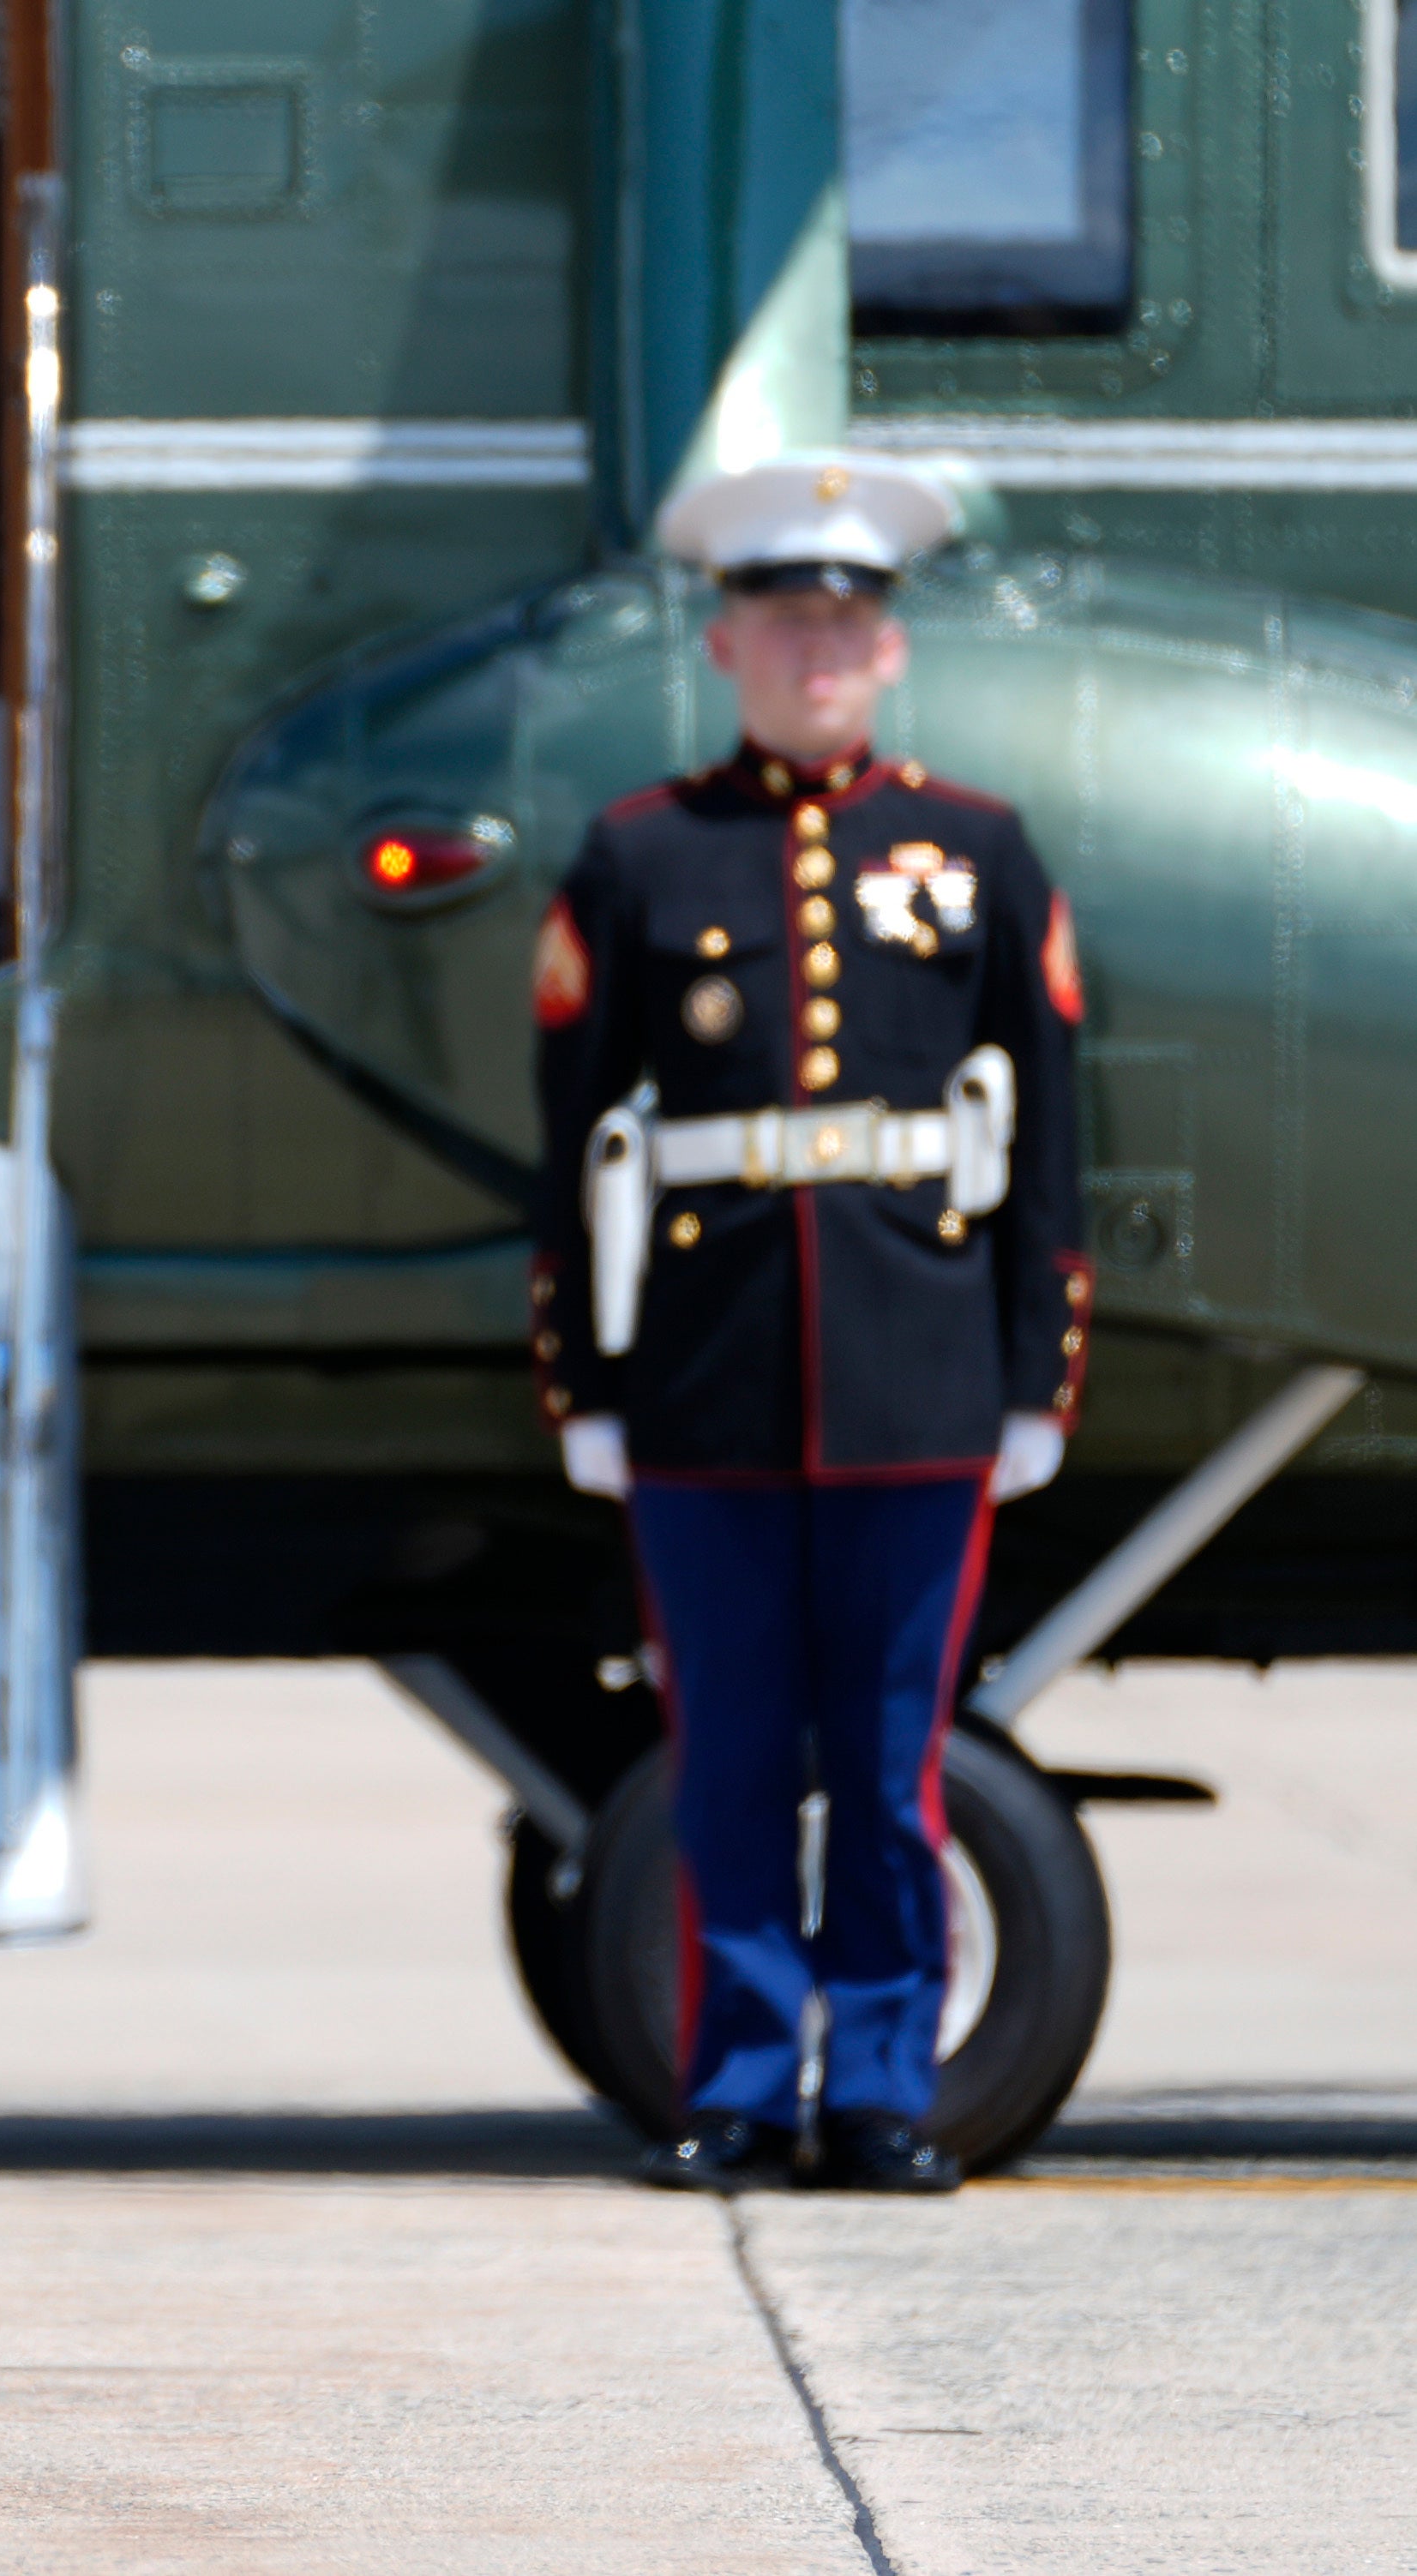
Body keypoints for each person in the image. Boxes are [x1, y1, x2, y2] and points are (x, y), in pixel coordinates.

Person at [529, 453, 1088, 2195]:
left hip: (918, 1386)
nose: (816, 648)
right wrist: (585, 1379)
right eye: (784, 618)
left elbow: (1051, 1136)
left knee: (888, 1767)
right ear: (724, 641)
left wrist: (1031, 1374)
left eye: (846, 619)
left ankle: (887, 2096)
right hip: (703, 1385)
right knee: (727, 1769)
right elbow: (568, 1146)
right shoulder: (638, 858)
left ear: (888, 650)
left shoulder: (979, 850)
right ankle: (740, 2086)